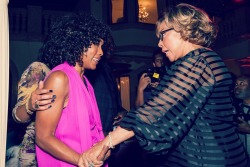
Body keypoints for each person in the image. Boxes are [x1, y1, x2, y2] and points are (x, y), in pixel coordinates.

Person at [79, 3, 248, 167]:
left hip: (207, 159)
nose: (159, 44)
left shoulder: (198, 61)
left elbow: (156, 111)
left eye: (162, 35)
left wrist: (105, 143)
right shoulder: (205, 59)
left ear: (182, 29)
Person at [33, 12, 112, 167]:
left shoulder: (86, 83)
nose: (101, 52)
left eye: (102, 46)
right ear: (78, 42)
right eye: (97, 44)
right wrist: (81, 160)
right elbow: (43, 137)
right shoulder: (59, 78)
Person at [234, 74, 250, 163]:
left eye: (242, 84)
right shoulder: (236, 108)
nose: (237, 87)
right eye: (236, 84)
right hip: (241, 157)